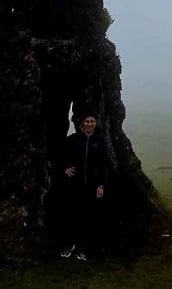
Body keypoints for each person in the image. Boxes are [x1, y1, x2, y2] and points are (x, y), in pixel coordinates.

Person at [57, 111, 109, 261]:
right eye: (87, 121)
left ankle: (82, 247)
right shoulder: (72, 140)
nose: (90, 124)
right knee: (71, 214)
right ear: (81, 124)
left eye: (92, 121)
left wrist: (101, 185)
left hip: (91, 185)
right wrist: (65, 168)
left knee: (88, 217)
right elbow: (60, 156)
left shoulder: (99, 141)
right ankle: (69, 244)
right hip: (74, 185)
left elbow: (103, 165)